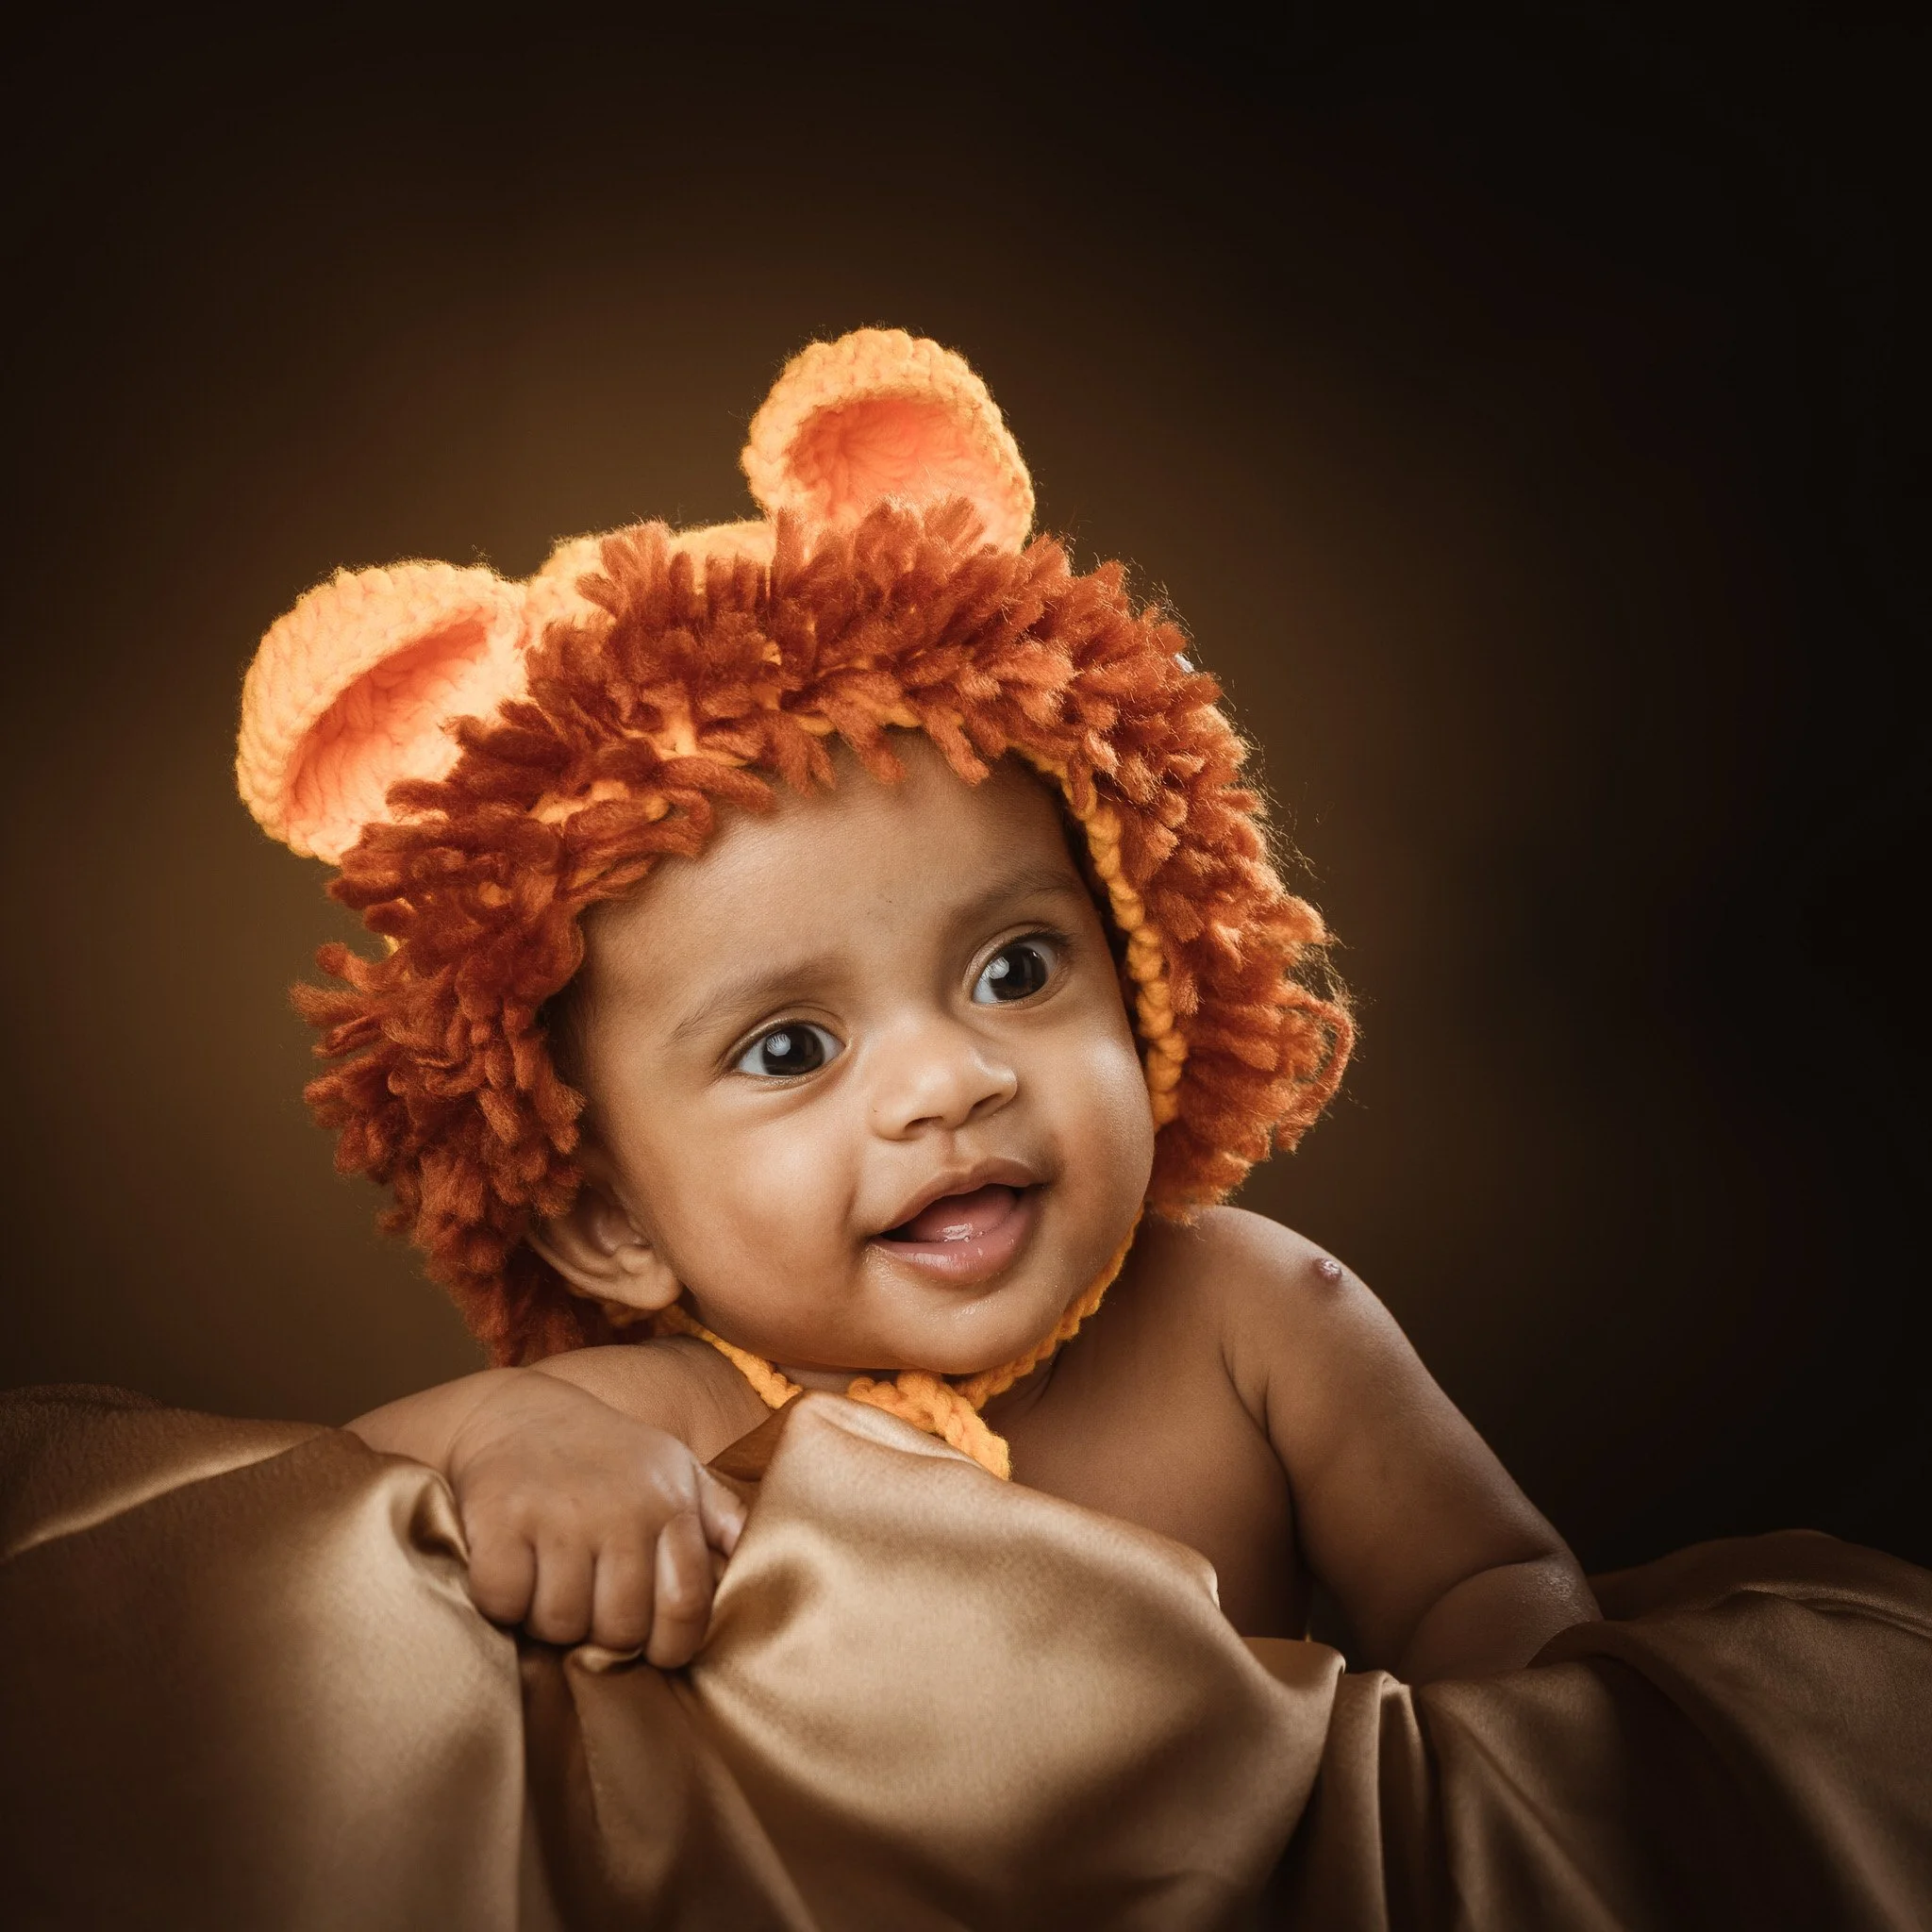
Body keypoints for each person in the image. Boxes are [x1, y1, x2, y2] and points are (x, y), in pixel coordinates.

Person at [239, 327, 1599, 1682]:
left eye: (1013, 972)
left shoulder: (1256, 1320)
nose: (950, 1082)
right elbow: (303, 1506)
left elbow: (1490, 1580)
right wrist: (512, 1447)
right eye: (790, 1048)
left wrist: (1525, 1720)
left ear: (1146, 968)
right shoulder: (666, 1413)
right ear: (609, 1222)